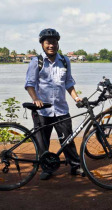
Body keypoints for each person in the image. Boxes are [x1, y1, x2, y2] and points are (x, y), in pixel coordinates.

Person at [25, 28, 84, 180]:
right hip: (42, 110)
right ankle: (46, 168)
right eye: (48, 42)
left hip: (61, 109)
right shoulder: (35, 62)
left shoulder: (64, 60)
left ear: (58, 44)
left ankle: (75, 166)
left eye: (54, 42)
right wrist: (35, 98)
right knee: (42, 143)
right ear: (42, 44)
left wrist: (76, 98)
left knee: (67, 139)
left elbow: (68, 83)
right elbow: (29, 84)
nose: (51, 45)